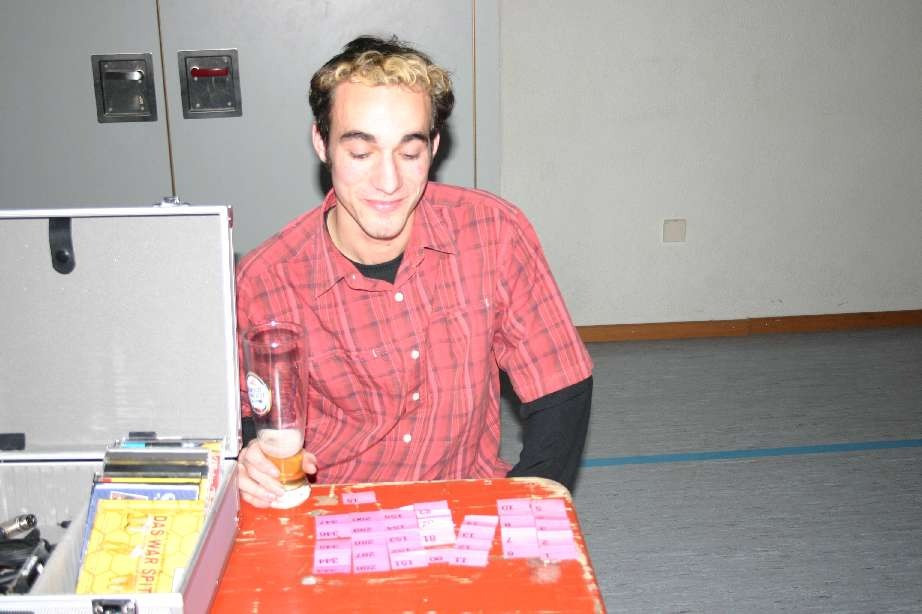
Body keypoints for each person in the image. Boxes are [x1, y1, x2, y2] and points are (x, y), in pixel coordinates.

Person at [236, 35, 593, 508]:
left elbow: (560, 388)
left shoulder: (494, 233)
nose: (388, 182)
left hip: (465, 498)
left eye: (409, 153)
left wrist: (522, 512)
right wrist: (248, 461)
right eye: (361, 153)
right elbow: (246, 425)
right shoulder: (266, 281)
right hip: (331, 511)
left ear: (435, 146)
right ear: (322, 143)